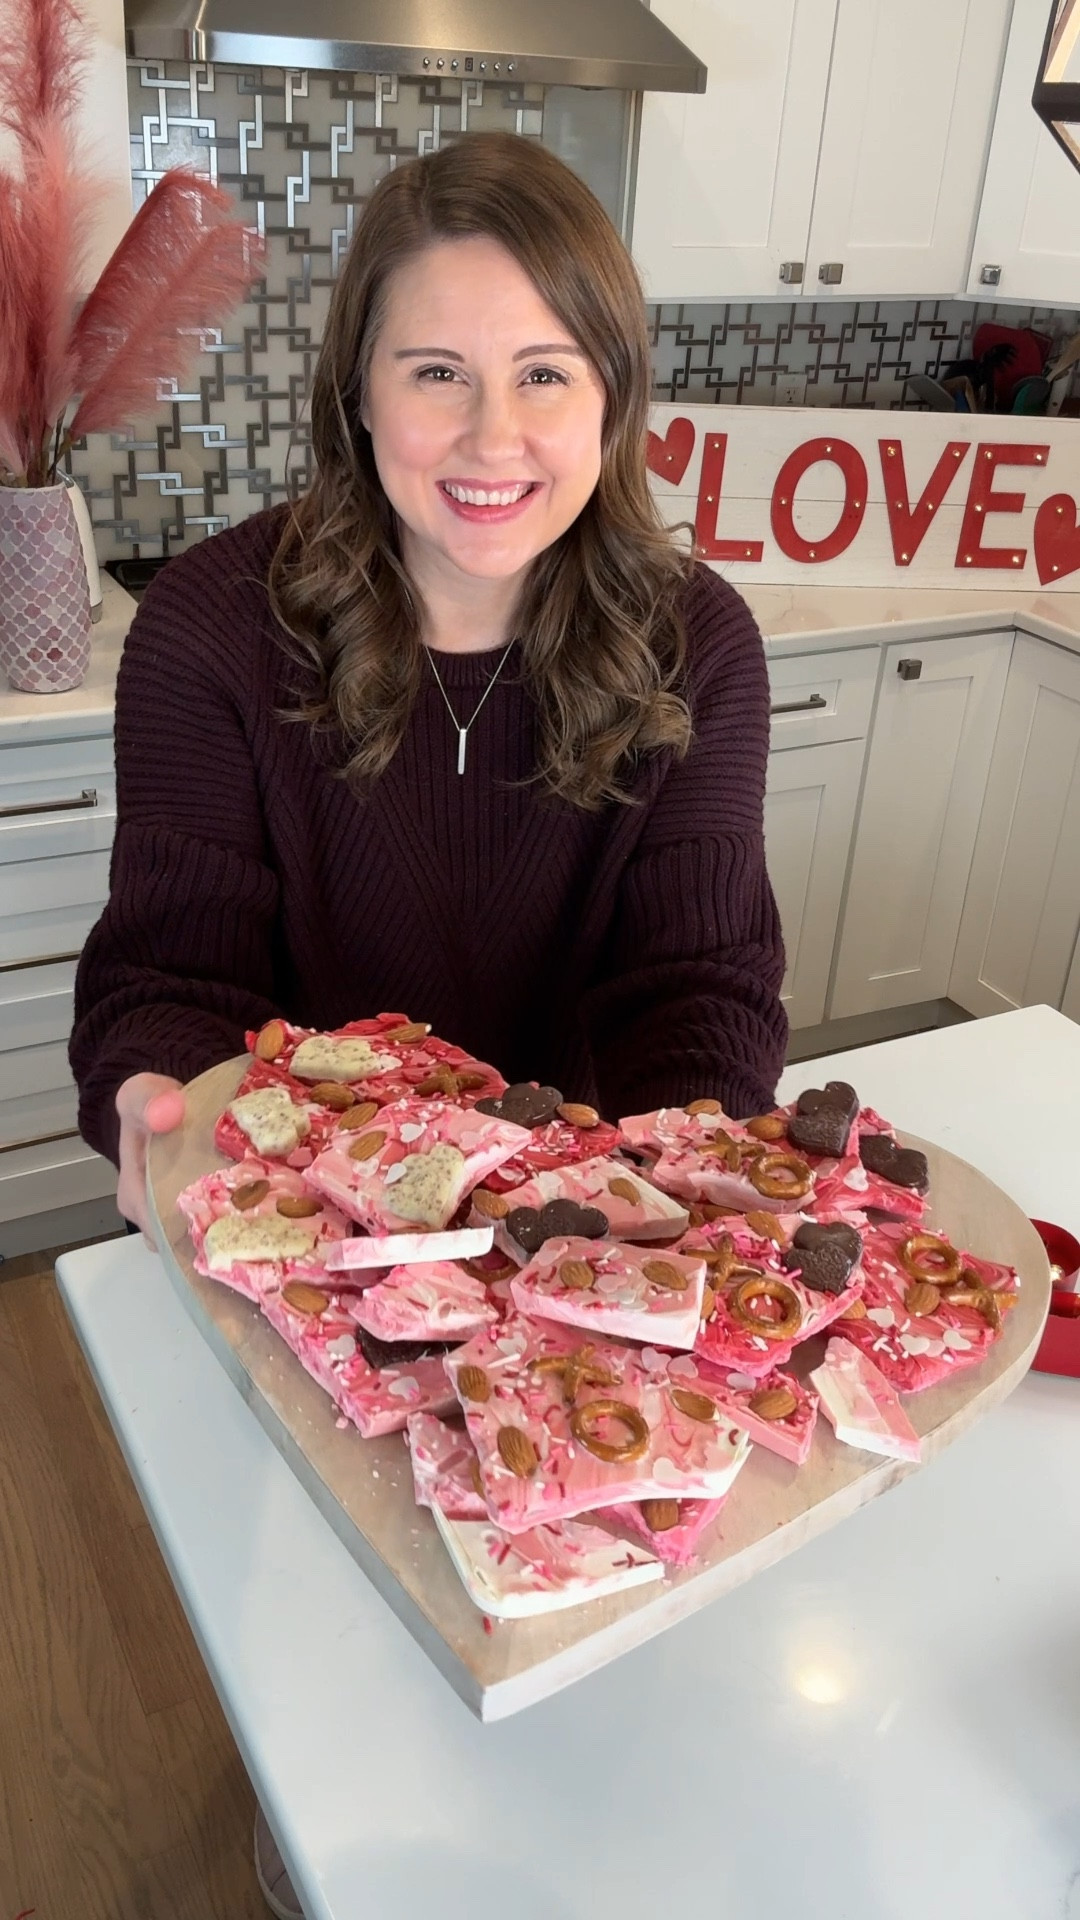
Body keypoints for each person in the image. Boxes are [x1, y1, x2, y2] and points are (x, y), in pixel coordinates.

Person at [70, 130, 786, 1917]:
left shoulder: (698, 641)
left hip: (579, 1265)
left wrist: (661, 1237)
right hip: (310, 1264)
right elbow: (178, 962)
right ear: (358, 391)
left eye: (548, 373)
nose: (493, 439)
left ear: (613, 397)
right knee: (314, 1647)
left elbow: (701, 998)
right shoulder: (215, 632)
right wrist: (157, 1098)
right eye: (438, 371)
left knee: (572, 1647)